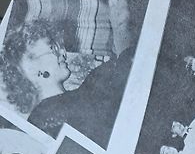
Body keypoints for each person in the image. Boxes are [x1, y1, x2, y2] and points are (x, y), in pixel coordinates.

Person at [0, 16, 135, 146]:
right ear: (30, 67)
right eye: (53, 48)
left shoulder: (86, 88)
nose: (63, 53)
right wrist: (121, 32)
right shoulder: (41, 118)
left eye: (60, 47)